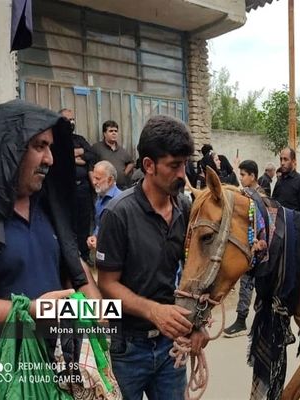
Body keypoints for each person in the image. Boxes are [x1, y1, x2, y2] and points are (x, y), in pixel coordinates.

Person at [0, 99, 100, 377]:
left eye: (50, 146)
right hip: (0, 377)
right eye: (38, 146)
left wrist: (95, 310)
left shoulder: (48, 207)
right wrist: (31, 311)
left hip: (53, 371)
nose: (50, 159)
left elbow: (71, 263)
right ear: (11, 148)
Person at [96, 115, 206, 399]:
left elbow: (195, 273)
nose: (183, 174)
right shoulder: (118, 214)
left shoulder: (184, 209)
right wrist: (154, 311)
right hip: (127, 349)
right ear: (148, 165)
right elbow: (107, 284)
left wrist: (197, 324)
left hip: (171, 348)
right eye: (174, 165)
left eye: (185, 164)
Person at [223, 160, 264, 338]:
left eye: (243, 175)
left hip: (258, 249)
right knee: (247, 285)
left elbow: (262, 224)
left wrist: (258, 243)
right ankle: (242, 320)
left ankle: (249, 322)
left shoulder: (258, 197)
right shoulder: (246, 194)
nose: (240, 178)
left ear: (252, 176)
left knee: (256, 287)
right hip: (248, 247)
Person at [60, 108, 95, 263]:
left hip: (83, 189)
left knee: (84, 223)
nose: (71, 122)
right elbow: (59, 157)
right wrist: (75, 156)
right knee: (68, 223)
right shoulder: (55, 138)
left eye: (72, 119)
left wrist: (72, 155)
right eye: (67, 119)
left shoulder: (79, 138)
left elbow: (91, 154)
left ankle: (85, 256)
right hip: (66, 190)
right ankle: (71, 258)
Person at [86, 160, 122, 252]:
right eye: (93, 178)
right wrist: (94, 236)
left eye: (97, 179)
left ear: (110, 180)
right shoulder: (100, 196)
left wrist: (102, 241)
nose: (93, 182)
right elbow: (99, 223)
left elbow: (119, 233)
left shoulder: (120, 201)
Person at [91, 120, 134, 189]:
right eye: (111, 131)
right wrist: (95, 187)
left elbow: (131, 163)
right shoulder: (96, 148)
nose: (114, 133)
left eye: (115, 131)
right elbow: (90, 169)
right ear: (104, 133)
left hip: (121, 189)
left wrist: (124, 174)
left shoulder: (121, 150)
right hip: (105, 188)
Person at [272, 148, 300, 214]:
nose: (282, 163)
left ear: (293, 161)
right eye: (281, 159)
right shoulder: (279, 181)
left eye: (285, 159)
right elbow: (273, 203)